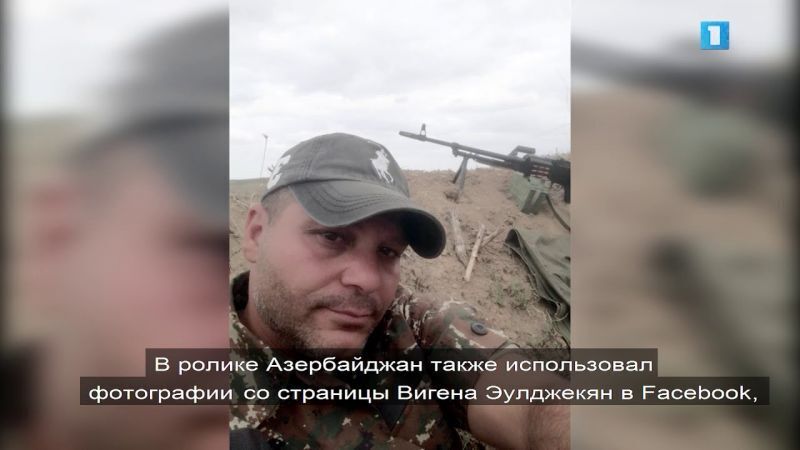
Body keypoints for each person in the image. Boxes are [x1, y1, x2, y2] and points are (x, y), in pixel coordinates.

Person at [230, 133, 569, 449]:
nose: (367, 279)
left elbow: (536, 407)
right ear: (256, 234)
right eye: (332, 237)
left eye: (388, 251)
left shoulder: (409, 324)